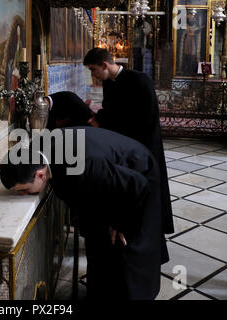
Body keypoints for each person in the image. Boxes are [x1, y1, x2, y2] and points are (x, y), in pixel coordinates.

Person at [0, 127, 165, 300]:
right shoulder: (37, 152)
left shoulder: (81, 166)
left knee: (125, 249)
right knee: (99, 242)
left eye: (24, 190)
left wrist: (120, 222)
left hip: (137, 176)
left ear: (40, 175)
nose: (24, 194)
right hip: (109, 177)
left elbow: (137, 186)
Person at [82, 48, 174, 258]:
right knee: (125, 196)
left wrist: (136, 151)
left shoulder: (139, 80)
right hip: (121, 149)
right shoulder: (109, 83)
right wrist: (99, 120)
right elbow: (111, 111)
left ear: (105, 65)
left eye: (93, 69)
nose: (93, 75)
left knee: (146, 197)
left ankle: (150, 249)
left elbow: (147, 119)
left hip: (143, 149)